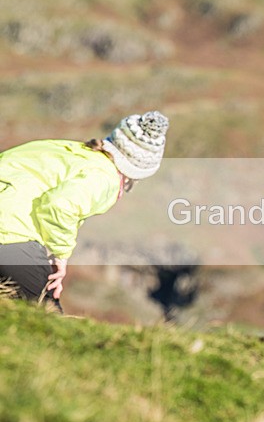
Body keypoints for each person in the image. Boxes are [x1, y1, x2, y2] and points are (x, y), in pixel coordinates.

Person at [0, 111, 170, 311]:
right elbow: (59, 206)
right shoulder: (104, 177)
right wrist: (61, 255)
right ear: (137, 170)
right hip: (9, 234)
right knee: (46, 315)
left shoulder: (70, 150)